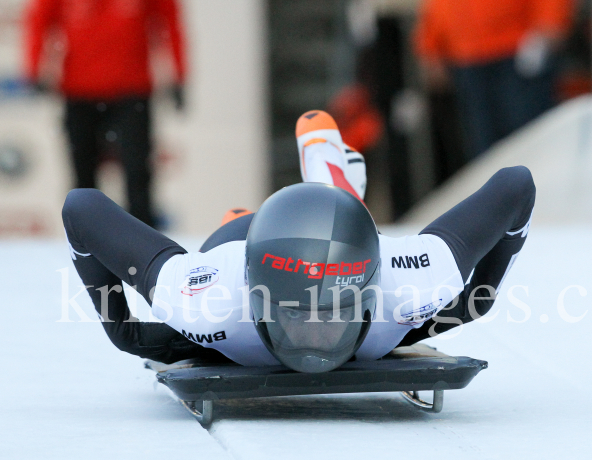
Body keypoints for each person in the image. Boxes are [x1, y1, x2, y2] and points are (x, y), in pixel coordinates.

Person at [62, 111, 535, 372]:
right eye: (296, 318)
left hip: (345, 250)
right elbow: (80, 209)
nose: (314, 344)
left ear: (370, 296)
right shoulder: (205, 299)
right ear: (254, 300)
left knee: (344, 216)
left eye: (331, 318)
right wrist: (124, 334)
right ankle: (289, 189)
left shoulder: (413, 280)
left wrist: (124, 328)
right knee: (304, 219)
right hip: (236, 244)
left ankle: (329, 169)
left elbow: (517, 185)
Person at [23, 0, 188, 227]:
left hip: (131, 93)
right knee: (83, 180)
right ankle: (86, 243)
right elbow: (39, 21)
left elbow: (170, 22)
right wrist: (34, 69)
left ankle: (144, 243)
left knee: (137, 172)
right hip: (79, 93)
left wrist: (178, 74)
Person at [414, 0, 576, 160]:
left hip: (515, 52)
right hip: (466, 58)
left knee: (526, 141)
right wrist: (431, 44)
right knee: (483, 147)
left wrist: (551, 21)